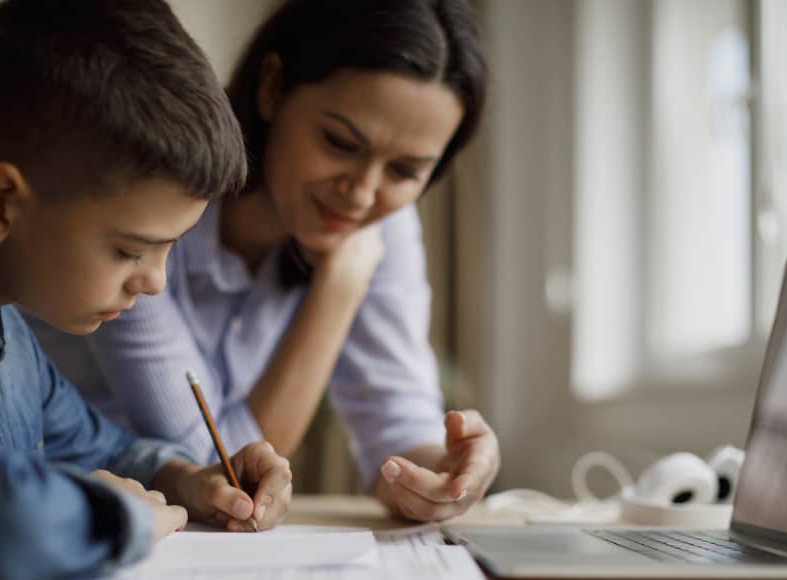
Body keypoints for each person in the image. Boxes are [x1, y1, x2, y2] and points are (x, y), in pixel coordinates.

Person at [0, 1, 293, 578]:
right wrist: (121, 516)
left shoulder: (7, 332)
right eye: (130, 250)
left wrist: (191, 481)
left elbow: (109, 451)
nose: (155, 282)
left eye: (170, 249)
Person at [31, 0, 500, 522]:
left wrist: (446, 472)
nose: (362, 194)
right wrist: (338, 288)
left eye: (407, 171)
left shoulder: (380, 222)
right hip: (66, 508)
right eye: (339, 143)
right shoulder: (149, 207)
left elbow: (396, 424)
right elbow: (218, 468)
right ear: (272, 87)